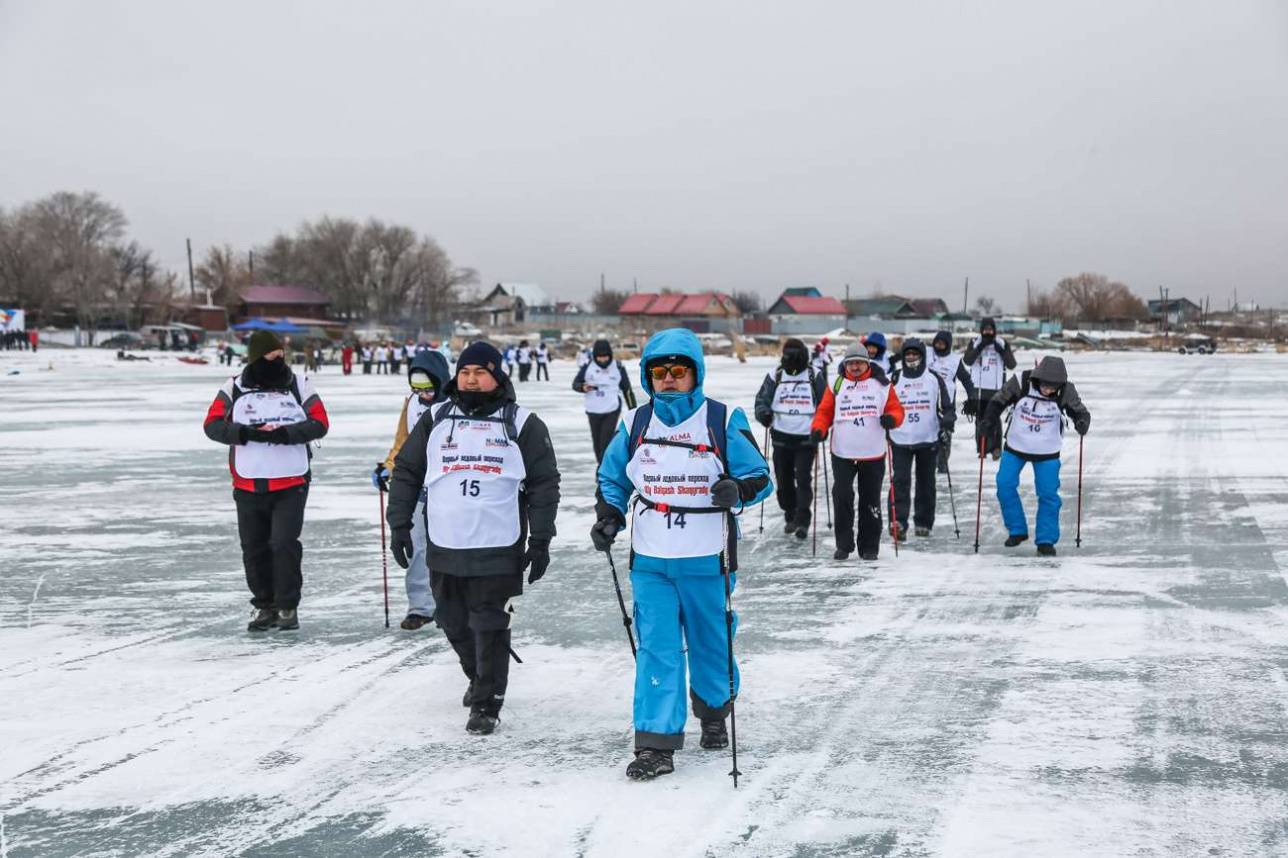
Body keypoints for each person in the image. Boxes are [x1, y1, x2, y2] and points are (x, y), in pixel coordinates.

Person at [591, 327, 771, 780]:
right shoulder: (634, 424)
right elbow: (613, 477)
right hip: (651, 559)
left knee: (711, 639)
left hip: (707, 557)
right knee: (658, 647)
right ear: (649, 376)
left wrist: (739, 489)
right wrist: (610, 514)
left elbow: (761, 477)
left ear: (696, 374)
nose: (669, 379)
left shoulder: (722, 419)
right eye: (660, 371)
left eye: (678, 371)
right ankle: (656, 743)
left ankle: (713, 711)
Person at [386, 342, 560, 735]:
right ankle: (477, 674)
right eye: (465, 372)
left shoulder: (522, 422)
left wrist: (541, 539)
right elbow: (407, 471)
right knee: (451, 620)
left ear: (497, 375)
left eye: (480, 372)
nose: (471, 379)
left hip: (500, 545)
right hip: (445, 543)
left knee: (491, 623)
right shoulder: (434, 419)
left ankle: (487, 701)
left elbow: (544, 483)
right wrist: (399, 523)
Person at [202, 330, 330, 631]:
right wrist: (243, 434)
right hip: (248, 484)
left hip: (291, 483)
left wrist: (288, 434)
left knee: (284, 544)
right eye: (272, 357)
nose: (279, 361)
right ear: (257, 358)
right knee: (254, 548)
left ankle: (287, 606)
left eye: (281, 356)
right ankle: (264, 605)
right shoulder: (234, 387)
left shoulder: (299, 384)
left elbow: (320, 423)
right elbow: (211, 425)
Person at [980, 356, 1089, 556]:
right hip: (1016, 444)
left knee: (1048, 495)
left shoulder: (1066, 390)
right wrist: (988, 421)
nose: (1049, 391)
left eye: (1054, 388)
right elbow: (998, 401)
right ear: (1038, 379)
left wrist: (1082, 422)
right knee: (1004, 484)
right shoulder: (1021, 382)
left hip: (1047, 450)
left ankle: (1046, 540)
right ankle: (1017, 530)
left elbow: (1080, 411)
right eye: (1046, 386)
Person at [373, 350, 452, 630]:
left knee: (449, 548)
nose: (423, 395)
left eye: (428, 389)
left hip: (449, 488)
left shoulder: (458, 404)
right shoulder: (412, 404)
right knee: (417, 548)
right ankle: (421, 607)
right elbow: (402, 443)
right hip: (418, 487)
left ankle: (451, 606)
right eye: (417, 389)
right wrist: (388, 466)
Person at [810, 347, 904, 561]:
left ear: (867, 363)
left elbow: (896, 409)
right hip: (842, 451)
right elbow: (824, 411)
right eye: (850, 363)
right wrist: (818, 429)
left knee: (870, 499)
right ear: (845, 364)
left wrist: (892, 419)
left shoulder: (882, 384)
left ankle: (869, 546)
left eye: (859, 363)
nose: (854, 366)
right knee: (841, 495)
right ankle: (844, 545)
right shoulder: (837, 384)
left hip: (873, 452)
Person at [754, 338, 825, 540]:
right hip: (781, 437)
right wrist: (764, 414)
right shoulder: (775, 374)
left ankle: (802, 520)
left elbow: (825, 403)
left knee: (803, 478)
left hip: (806, 437)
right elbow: (761, 400)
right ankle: (790, 513)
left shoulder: (814, 375)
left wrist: (821, 427)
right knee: (784, 481)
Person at [888, 339, 955, 539]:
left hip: (927, 439)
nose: (911, 357)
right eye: (907, 354)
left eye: (914, 354)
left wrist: (947, 425)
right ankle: (898, 521)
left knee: (926, 482)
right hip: (900, 439)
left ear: (921, 356)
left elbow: (947, 408)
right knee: (900, 480)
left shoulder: (933, 378)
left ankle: (924, 522)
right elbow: (883, 404)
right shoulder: (895, 378)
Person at [571, 339, 636, 463]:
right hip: (593, 410)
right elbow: (575, 384)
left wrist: (634, 411)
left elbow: (627, 389)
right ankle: (601, 467)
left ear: (610, 355)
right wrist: (582, 387)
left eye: (605, 357)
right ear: (595, 356)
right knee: (597, 443)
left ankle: (602, 470)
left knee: (606, 441)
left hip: (612, 409)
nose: (603, 360)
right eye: (599, 357)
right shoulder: (588, 366)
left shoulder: (618, 366)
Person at [962, 317, 1017, 460]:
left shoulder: (1001, 343)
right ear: (981, 330)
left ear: (994, 330)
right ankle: (982, 447)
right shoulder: (975, 342)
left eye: (990, 329)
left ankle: (996, 448)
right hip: (978, 388)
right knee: (980, 419)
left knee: (994, 418)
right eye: (985, 329)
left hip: (996, 389)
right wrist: (979, 348)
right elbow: (967, 361)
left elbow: (1012, 364)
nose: (988, 332)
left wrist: (1001, 352)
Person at [926, 331, 976, 473]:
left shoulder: (955, 360)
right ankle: (927, 463)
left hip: (946, 403)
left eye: (942, 343)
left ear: (948, 345)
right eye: (937, 342)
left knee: (945, 433)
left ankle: (942, 464)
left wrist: (971, 395)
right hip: (926, 400)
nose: (939, 345)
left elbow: (965, 379)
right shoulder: (927, 354)